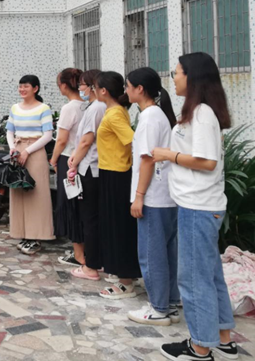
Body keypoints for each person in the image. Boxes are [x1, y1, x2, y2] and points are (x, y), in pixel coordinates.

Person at [154, 53, 237, 361]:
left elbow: (207, 161)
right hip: (200, 205)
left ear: (192, 77)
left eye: (176, 73)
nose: (173, 78)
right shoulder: (199, 111)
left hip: (198, 207)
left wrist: (168, 155)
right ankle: (223, 340)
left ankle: (200, 347)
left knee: (193, 279)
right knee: (210, 274)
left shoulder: (202, 113)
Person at [124, 67, 180, 326]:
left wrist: (139, 196)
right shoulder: (158, 114)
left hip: (153, 197)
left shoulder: (149, 117)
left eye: (128, 86)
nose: (126, 91)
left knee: (151, 254)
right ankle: (170, 302)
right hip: (165, 195)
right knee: (166, 252)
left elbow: (147, 159)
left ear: (140, 89)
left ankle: (158, 308)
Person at [95, 71, 141, 299]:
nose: (93, 91)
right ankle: (123, 273)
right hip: (112, 172)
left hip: (117, 174)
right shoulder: (116, 110)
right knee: (115, 227)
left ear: (103, 91)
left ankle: (125, 282)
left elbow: (133, 141)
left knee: (118, 228)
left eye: (94, 87)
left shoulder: (114, 114)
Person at [6, 74, 55, 255]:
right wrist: (13, 148)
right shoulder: (15, 108)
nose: (22, 89)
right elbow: (10, 131)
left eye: (26, 86)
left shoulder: (43, 108)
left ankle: (36, 237)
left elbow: (47, 135)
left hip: (35, 151)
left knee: (37, 194)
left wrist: (27, 151)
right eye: (20, 86)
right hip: (18, 150)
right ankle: (22, 233)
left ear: (35, 88)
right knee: (18, 193)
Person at [65, 69, 106, 279]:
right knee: (93, 218)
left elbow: (86, 140)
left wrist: (74, 161)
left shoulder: (97, 107)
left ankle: (91, 266)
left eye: (82, 84)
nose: (80, 88)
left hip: (91, 167)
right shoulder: (96, 106)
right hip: (91, 165)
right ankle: (97, 260)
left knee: (89, 218)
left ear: (92, 86)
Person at [48, 68, 84, 247]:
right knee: (80, 201)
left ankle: (76, 246)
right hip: (84, 157)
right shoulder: (88, 105)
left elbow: (62, 139)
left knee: (68, 200)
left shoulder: (69, 108)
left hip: (67, 157)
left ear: (63, 86)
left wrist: (53, 159)